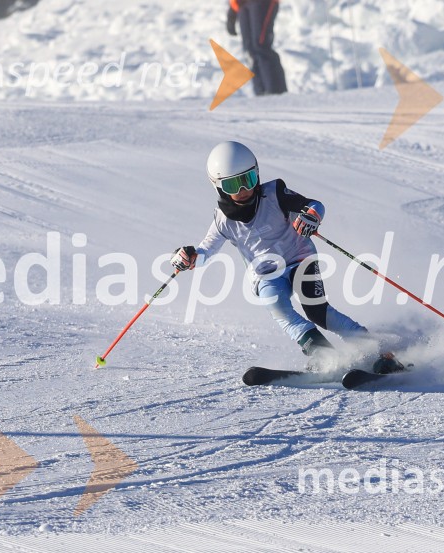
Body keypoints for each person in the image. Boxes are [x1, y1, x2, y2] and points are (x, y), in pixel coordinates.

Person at [171, 141, 404, 374]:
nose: (243, 190)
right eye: (233, 184)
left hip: (300, 259)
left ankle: (377, 349)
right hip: (265, 275)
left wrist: (312, 216)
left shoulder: (274, 194)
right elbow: (204, 253)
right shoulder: (222, 221)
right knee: (278, 307)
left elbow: (314, 205)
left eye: (248, 180)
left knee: (316, 310)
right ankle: (323, 354)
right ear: (218, 186)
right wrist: (188, 258)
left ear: (257, 174)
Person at [226, 0, 288, 96]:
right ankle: (261, 93)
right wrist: (232, 9)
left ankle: (276, 92)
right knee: (249, 50)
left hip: (262, 2)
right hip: (241, 4)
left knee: (260, 46)